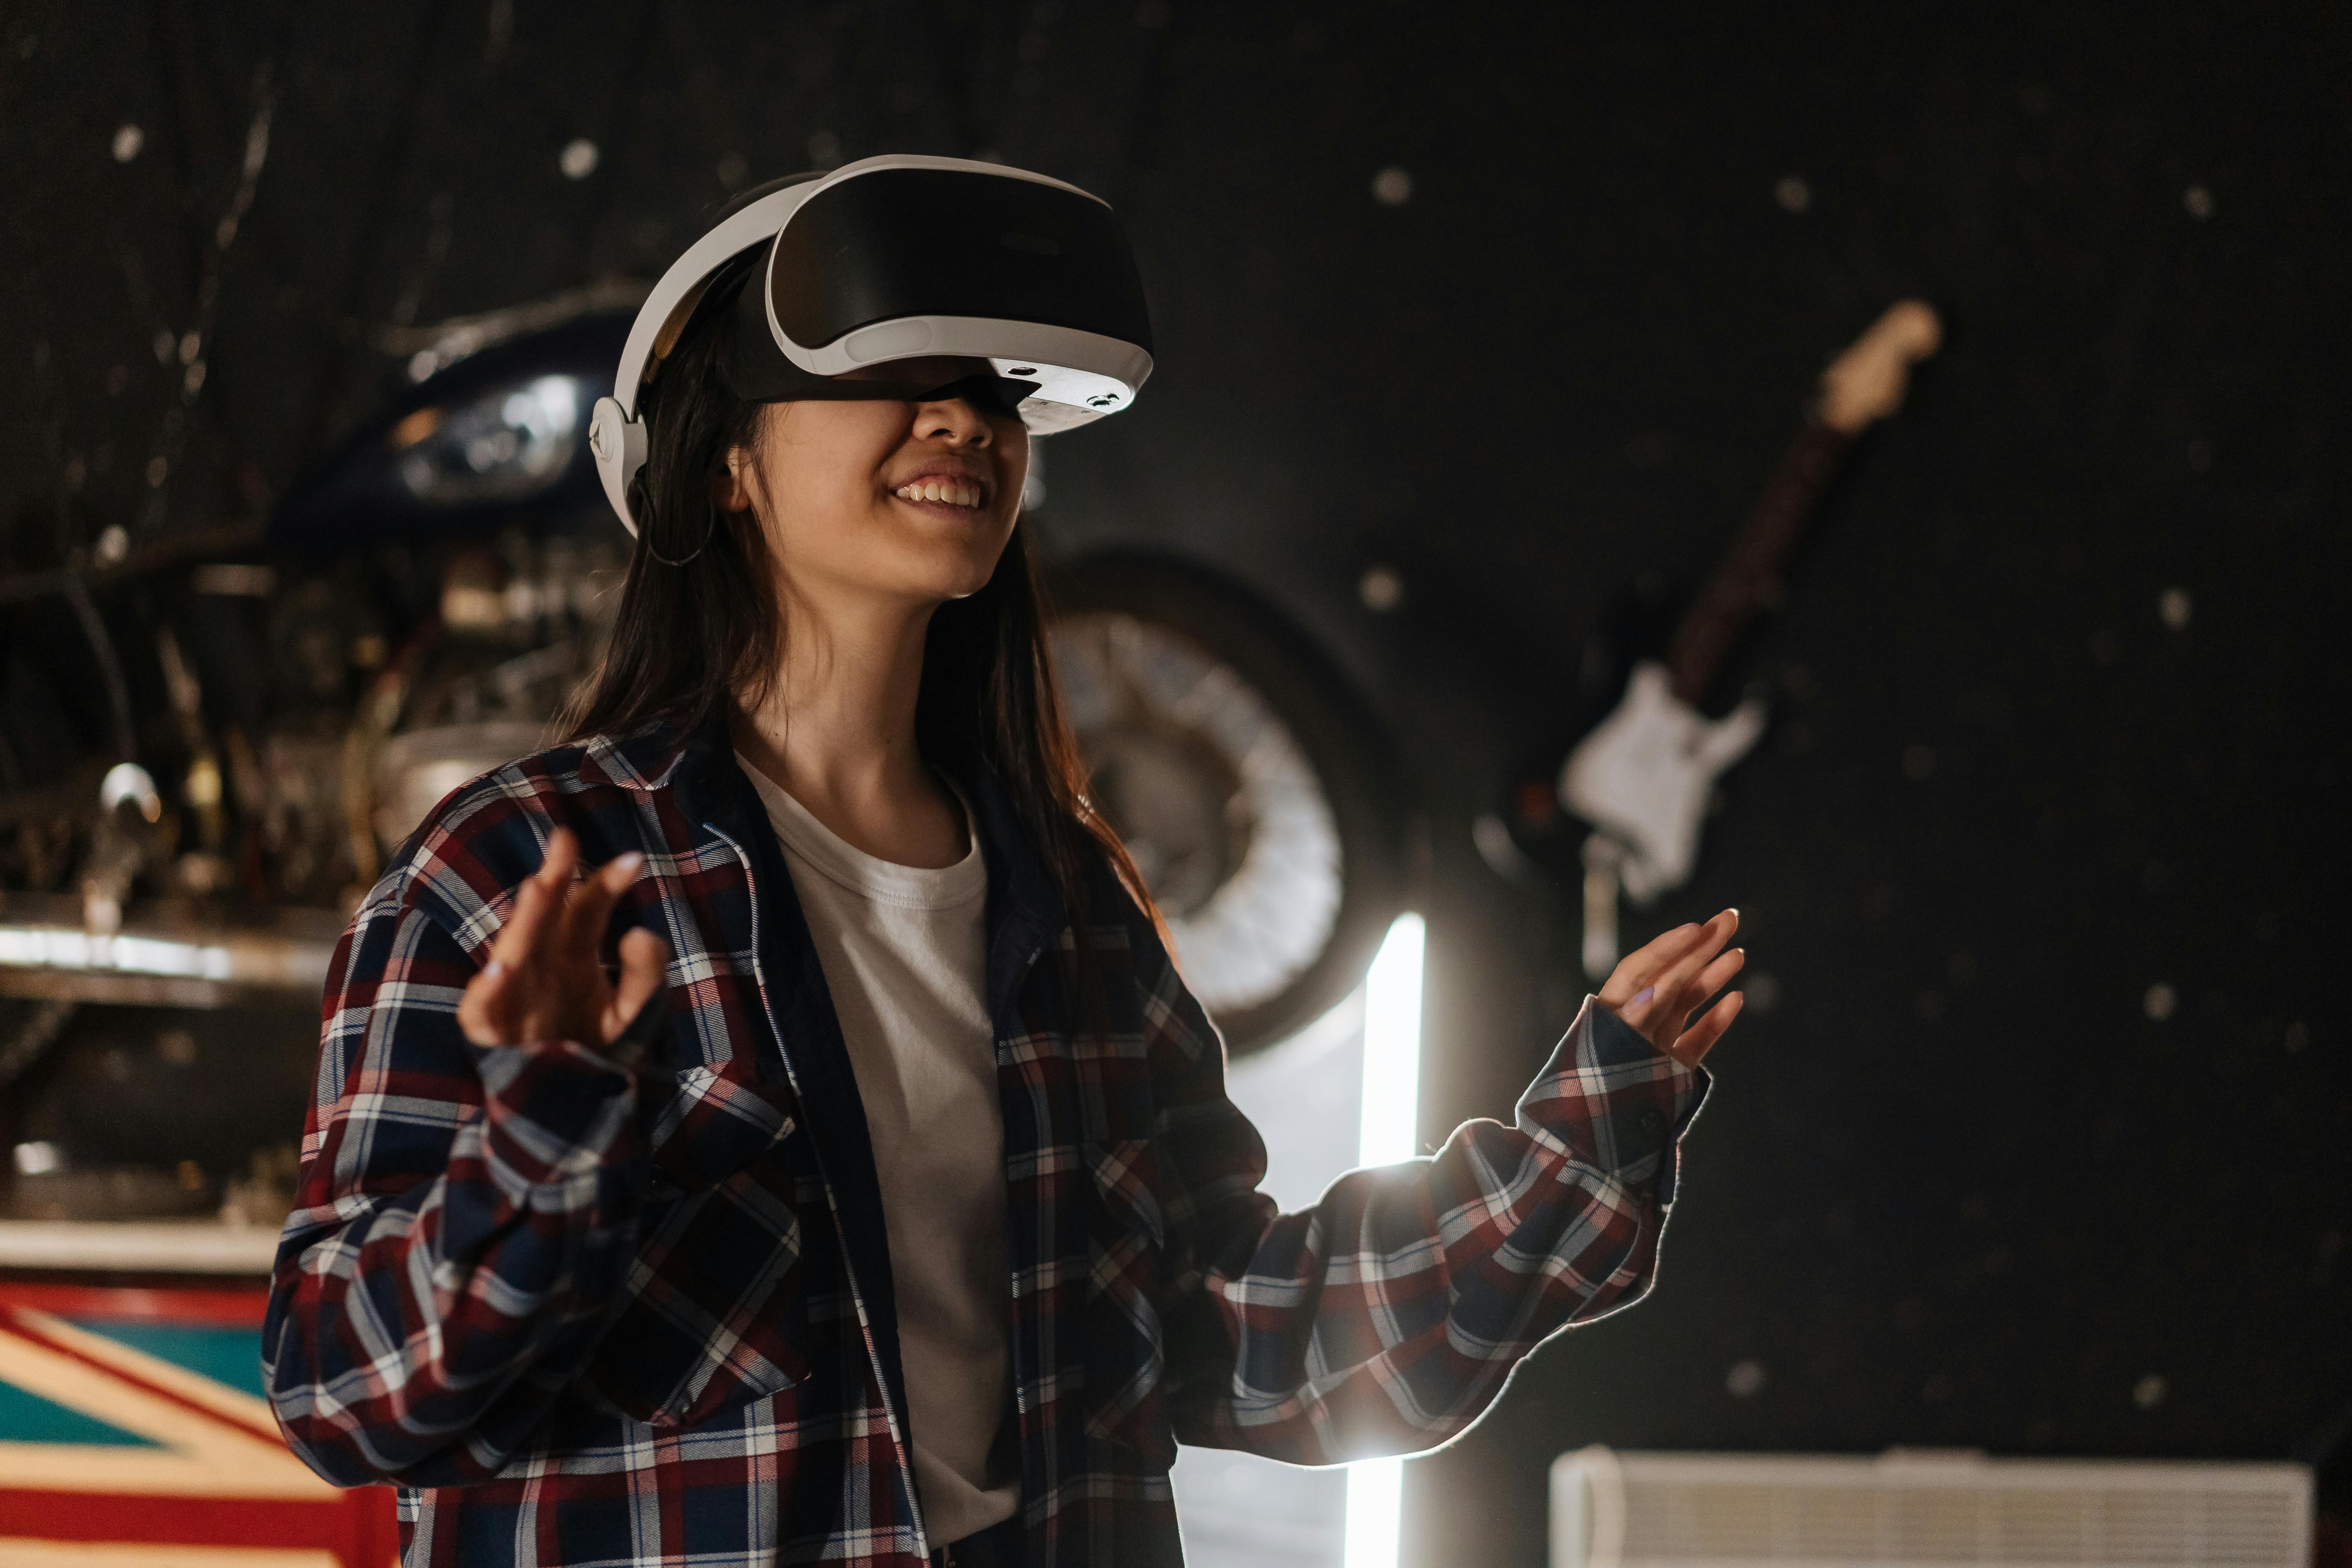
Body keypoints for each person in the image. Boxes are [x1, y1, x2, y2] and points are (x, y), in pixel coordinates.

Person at [262, 164, 1744, 1568]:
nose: (964, 421)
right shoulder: (531, 865)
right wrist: (545, 1131)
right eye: (896, 378)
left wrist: (1572, 1152)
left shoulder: (1070, 908)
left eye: (992, 394)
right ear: (726, 465)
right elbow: (345, 1390)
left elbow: (1245, 1336)